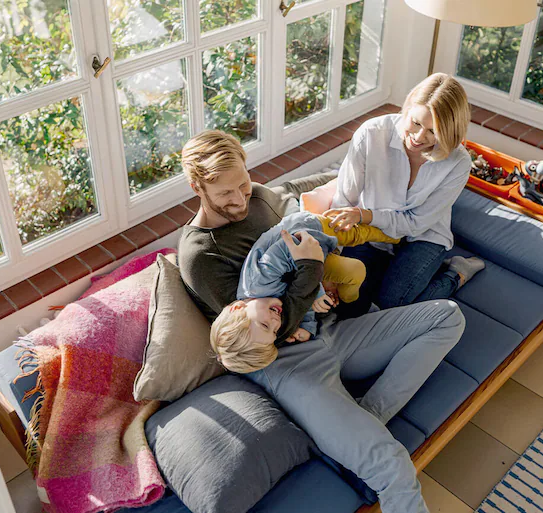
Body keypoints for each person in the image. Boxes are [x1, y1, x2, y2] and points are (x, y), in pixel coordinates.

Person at [178, 129, 465, 513]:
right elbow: (262, 328)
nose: (240, 199)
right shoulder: (200, 256)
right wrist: (311, 272)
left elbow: (301, 262)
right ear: (197, 187)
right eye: (226, 194)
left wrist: (322, 279)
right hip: (286, 365)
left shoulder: (260, 199)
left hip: (329, 329)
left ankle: (368, 416)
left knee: (447, 316)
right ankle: (357, 433)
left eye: (243, 185)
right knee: (390, 464)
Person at [325, 73, 485, 319]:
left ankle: (456, 274)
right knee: (351, 307)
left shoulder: (459, 162)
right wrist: (331, 259)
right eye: (416, 122)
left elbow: (417, 223)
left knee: (391, 303)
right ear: (408, 108)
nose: (419, 137)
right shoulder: (371, 133)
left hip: (422, 235)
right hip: (370, 233)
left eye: (434, 131)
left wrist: (365, 215)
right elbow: (344, 199)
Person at [210, 210, 400, 373]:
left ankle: (393, 235)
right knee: (351, 267)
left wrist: (317, 292)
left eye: (265, 325)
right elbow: (300, 301)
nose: (276, 322)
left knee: (355, 239)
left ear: (238, 309)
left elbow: (289, 247)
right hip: (309, 259)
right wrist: (307, 328)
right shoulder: (267, 306)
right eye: (275, 331)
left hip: (306, 230)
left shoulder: (259, 282)